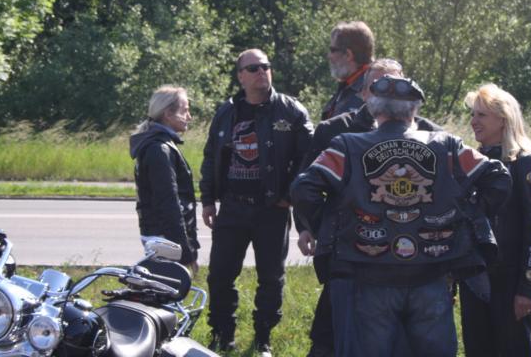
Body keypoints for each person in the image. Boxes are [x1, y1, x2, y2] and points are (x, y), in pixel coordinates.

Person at [292, 75, 511, 357]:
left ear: (373, 109)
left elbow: (303, 188)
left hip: (368, 276)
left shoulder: (346, 147)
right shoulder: (447, 146)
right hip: (432, 275)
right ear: (414, 110)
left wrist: (334, 225)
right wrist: (459, 216)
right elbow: (498, 178)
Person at [298, 58, 442, 357]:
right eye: (378, 86)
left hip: (410, 260)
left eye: (395, 85)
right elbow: (304, 185)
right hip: (352, 254)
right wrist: (317, 227)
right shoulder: (335, 131)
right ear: (363, 93)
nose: (388, 93)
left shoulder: (432, 135)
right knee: (333, 334)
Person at [200, 49, 313, 356]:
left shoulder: (290, 110)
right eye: (253, 68)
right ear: (241, 76)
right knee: (220, 275)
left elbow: (309, 155)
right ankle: (222, 334)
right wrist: (207, 199)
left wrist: (290, 194)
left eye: (266, 66)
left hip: (271, 209)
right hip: (233, 206)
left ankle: (263, 337)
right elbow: (211, 156)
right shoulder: (227, 111)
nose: (262, 71)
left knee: (271, 278)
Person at [459, 83, 531, 357]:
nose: (473, 121)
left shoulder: (525, 163)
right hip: (474, 280)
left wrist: (528, 286)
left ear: (503, 119)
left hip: (510, 283)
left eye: (481, 115)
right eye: (473, 115)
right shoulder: (472, 162)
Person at [129, 85, 199, 274]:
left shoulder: (160, 145)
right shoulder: (159, 149)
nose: (189, 117)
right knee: (167, 288)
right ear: (168, 114)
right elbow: (168, 202)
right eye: (185, 110)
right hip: (165, 239)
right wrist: (185, 251)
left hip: (163, 236)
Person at [321, 21, 375, 120]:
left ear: (348, 55)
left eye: (332, 50)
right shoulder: (349, 86)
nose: (329, 56)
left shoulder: (372, 90)